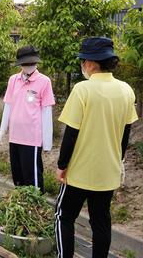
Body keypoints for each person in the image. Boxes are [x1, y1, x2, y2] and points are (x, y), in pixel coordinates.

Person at [54, 37, 138, 258]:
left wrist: (62, 165)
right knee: (101, 221)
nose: (82, 65)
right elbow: (125, 133)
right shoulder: (126, 90)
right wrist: (118, 161)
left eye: (83, 60)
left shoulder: (83, 89)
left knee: (64, 215)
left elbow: (70, 134)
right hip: (107, 172)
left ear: (90, 62)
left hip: (79, 171)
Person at [0, 45, 55, 193]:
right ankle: (21, 208)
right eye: (25, 64)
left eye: (31, 63)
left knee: (32, 178)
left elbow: (46, 112)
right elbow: (8, 105)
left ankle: (37, 210)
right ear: (20, 64)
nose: (29, 67)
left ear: (36, 63)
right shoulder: (13, 80)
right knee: (18, 176)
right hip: (15, 136)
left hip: (32, 138)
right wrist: (2, 130)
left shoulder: (44, 81)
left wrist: (47, 142)